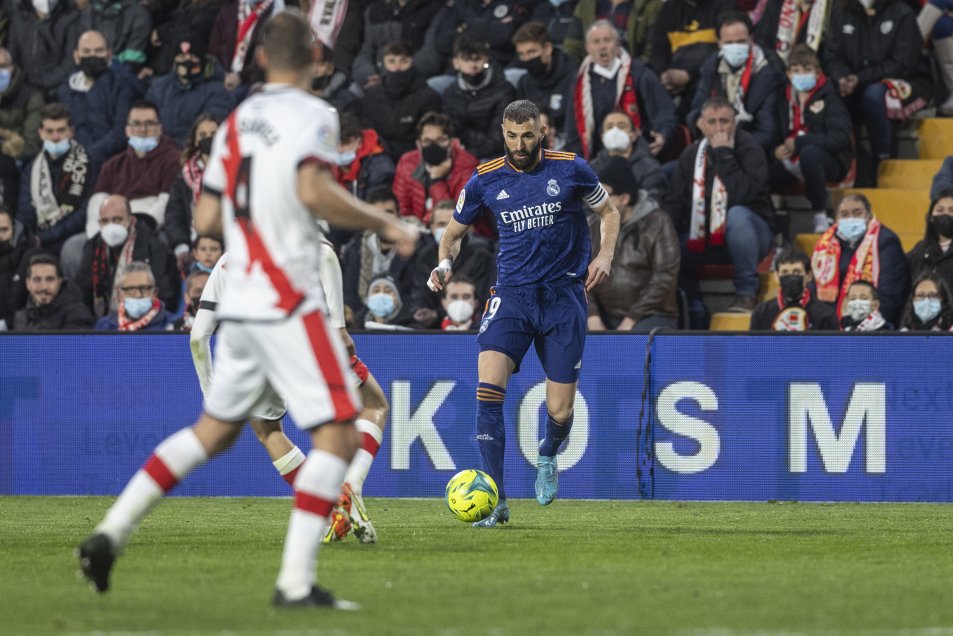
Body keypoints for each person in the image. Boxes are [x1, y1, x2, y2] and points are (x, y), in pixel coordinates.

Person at [77, 11, 418, 606]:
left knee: (210, 433)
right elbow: (314, 191)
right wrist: (386, 221)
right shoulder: (314, 114)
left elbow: (207, 219)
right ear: (315, 59)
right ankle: (294, 581)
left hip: (240, 299)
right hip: (288, 299)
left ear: (259, 59)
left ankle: (108, 534)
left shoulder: (236, 123)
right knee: (340, 435)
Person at [427, 99, 620, 526]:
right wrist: (444, 263)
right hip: (511, 296)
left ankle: (548, 453)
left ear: (542, 132)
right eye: (512, 136)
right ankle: (496, 502)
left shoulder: (571, 169)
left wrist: (604, 255)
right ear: (503, 133)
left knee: (560, 412)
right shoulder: (484, 179)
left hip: (563, 296)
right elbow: (453, 234)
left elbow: (608, 211)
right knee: (487, 389)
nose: (520, 143)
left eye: (528, 135)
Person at [664, 97, 775, 322]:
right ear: (701, 125)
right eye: (712, 122)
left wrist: (725, 154)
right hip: (704, 237)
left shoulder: (750, 148)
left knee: (737, 216)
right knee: (671, 248)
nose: (718, 128)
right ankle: (694, 308)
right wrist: (663, 235)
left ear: (734, 123)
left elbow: (743, 194)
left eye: (724, 121)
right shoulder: (691, 155)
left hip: (752, 235)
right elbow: (676, 203)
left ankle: (746, 294)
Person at [823, 0, 932, 185]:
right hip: (857, 84)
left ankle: (883, 161)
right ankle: (853, 163)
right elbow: (832, 57)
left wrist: (860, 79)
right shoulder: (842, 14)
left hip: (906, 83)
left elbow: (903, 64)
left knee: (875, 95)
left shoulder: (902, 13)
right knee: (832, 94)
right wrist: (842, 77)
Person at [588, 155, 679, 331]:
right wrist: (592, 316)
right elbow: (580, 274)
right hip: (604, 314)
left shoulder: (658, 222)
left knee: (634, 344)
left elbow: (664, 277)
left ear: (624, 199)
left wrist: (631, 319)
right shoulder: (592, 224)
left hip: (651, 314)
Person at [768, 44, 853, 233]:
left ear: (817, 72)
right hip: (792, 160)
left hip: (830, 161)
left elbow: (839, 137)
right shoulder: (782, 98)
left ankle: (820, 216)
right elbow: (773, 132)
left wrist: (799, 143)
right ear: (788, 74)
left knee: (810, 153)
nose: (801, 74)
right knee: (762, 176)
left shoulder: (831, 97)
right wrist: (776, 150)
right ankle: (774, 228)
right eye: (796, 70)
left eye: (807, 69)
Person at [565, 20, 676, 160]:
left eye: (607, 40)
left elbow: (663, 113)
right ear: (587, 48)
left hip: (638, 157)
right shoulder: (579, 81)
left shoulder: (639, 73)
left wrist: (664, 135)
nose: (602, 46)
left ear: (617, 44)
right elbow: (573, 129)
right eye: (596, 42)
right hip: (596, 160)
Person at [687, 11, 785, 155]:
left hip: (751, 154)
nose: (735, 47)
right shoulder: (711, 68)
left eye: (741, 41)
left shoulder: (768, 74)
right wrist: (699, 122)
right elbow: (695, 111)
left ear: (751, 39)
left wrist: (733, 144)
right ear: (719, 43)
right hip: (711, 148)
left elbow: (769, 132)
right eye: (729, 43)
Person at [84, 100, 181, 235]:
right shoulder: (112, 164)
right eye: (136, 124)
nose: (142, 129)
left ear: (160, 129)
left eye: (149, 123)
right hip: (111, 227)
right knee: (73, 247)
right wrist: (96, 235)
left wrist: (136, 229)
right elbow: (96, 205)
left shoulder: (173, 159)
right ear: (127, 130)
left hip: (152, 229)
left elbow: (166, 204)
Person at [811, 193, 909, 324]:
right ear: (836, 219)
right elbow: (814, 287)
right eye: (844, 214)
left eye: (857, 213)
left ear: (868, 215)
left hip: (872, 324)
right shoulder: (826, 244)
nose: (851, 218)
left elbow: (890, 294)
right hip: (831, 323)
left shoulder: (886, 241)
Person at [77, 193, 178, 319]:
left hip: (149, 321)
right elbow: (81, 290)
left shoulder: (153, 245)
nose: (111, 226)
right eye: (105, 221)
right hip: (105, 323)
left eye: (117, 220)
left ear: (131, 219)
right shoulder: (94, 246)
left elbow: (165, 292)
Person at [17, 103, 95, 266]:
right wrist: (28, 237)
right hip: (39, 235)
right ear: (40, 133)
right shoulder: (32, 168)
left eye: (61, 130)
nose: (55, 137)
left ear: (72, 131)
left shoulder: (88, 164)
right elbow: (25, 210)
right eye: (49, 131)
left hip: (71, 235)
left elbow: (83, 214)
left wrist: (45, 237)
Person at [406, 198, 496, 329]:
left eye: (450, 225)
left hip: (475, 324)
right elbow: (419, 292)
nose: (446, 231)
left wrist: (437, 313)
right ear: (431, 227)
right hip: (434, 327)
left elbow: (483, 299)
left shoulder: (480, 254)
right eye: (441, 224)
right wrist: (419, 310)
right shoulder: (424, 256)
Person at [57, 30, 142, 168]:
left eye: (99, 51)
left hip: (111, 162)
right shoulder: (65, 90)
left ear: (109, 54)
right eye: (87, 51)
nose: (93, 56)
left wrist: (89, 155)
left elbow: (121, 131)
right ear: (76, 56)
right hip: (73, 161)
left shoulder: (124, 84)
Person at [648, 0, 736, 118]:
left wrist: (689, 74)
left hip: (707, 76)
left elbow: (723, 50)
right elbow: (658, 52)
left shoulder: (725, 6)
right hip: (673, 78)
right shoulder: (668, 9)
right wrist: (664, 75)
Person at [392, 111, 479, 230]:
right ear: (418, 144)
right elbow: (401, 208)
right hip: (417, 231)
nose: (433, 146)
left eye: (440, 140)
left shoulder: (468, 165)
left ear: (452, 142)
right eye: (427, 141)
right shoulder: (407, 162)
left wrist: (437, 181)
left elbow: (459, 217)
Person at [145, 32, 234, 146]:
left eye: (192, 56)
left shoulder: (217, 91)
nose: (187, 60)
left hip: (190, 155)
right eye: (181, 56)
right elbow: (146, 122)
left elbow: (207, 133)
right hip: (158, 153)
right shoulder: (159, 87)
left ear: (201, 60)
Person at [361, 41, 442, 163]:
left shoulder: (428, 97)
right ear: (383, 63)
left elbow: (427, 136)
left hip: (414, 157)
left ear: (412, 62)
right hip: (379, 155)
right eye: (391, 61)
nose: (397, 67)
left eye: (403, 61)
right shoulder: (372, 95)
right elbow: (368, 132)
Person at [442, 34, 516, 162]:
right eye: (466, 59)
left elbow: (499, 140)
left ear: (486, 59)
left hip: (495, 157)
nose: (472, 66)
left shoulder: (504, 91)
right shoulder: (450, 94)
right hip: (459, 156)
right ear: (456, 62)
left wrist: (464, 134)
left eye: (477, 59)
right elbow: (448, 133)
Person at [164, 113, 220, 273]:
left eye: (213, 134)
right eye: (202, 135)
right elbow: (174, 214)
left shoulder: (233, 170)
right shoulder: (184, 176)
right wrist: (181, 246)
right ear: (195, 140)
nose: (208, 138)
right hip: (192, 248)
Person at [511, 22, 577, 132]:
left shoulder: (573, 77)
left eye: (531, 52)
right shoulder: (524, 83)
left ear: (547, 48)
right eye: (521, 54)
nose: (527, 59)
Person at [750, 247, 838, 330]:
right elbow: (753, 345)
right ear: (776, 276)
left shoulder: (825, 315)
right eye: (785, 272)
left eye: (797, 272)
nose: (791, 277)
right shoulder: (761, 313)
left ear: (809, 275)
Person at [588, 110, 667, 200]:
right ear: (602, 136)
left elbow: (653, 200)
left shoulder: (649, 168)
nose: (615, 131)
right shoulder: (592, 167)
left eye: (621, 126)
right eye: (609, 127)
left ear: (634, 134)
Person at [12, 252, 94, 330]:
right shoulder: (21, 318)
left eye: (49, 280)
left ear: (59, 282)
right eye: (37, 280)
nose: (43, 287)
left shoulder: (77, 313)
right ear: (28, 284)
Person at [94, 260, 176, 331]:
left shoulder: (173, 326)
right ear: (120, 295)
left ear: (154, 293)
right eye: (131, 289)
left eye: (144, 288)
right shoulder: (105, 326)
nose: (138, 294)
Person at [333, 112, 395, 201]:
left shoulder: (380, 170)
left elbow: (376, 208)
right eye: (335, 144)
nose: (339, 150)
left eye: (345, 143)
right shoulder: (328, 167)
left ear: (359, 142)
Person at [753, 0, 832, 68]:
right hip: (776, 72)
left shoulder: (830, 7)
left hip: (813, 73)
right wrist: (778, 67)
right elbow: (761, 40)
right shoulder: (777, 3)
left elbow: (831, 52)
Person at [0, 46, 44, 159]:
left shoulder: (31, 96)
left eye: (3, 66)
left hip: (17, 158)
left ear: (12, 68)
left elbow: (31, 145)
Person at [907, 187, 953, 293]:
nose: (945, 214)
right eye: (940, 210)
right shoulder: (918, 252)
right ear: (931, 217)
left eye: (952, 210)